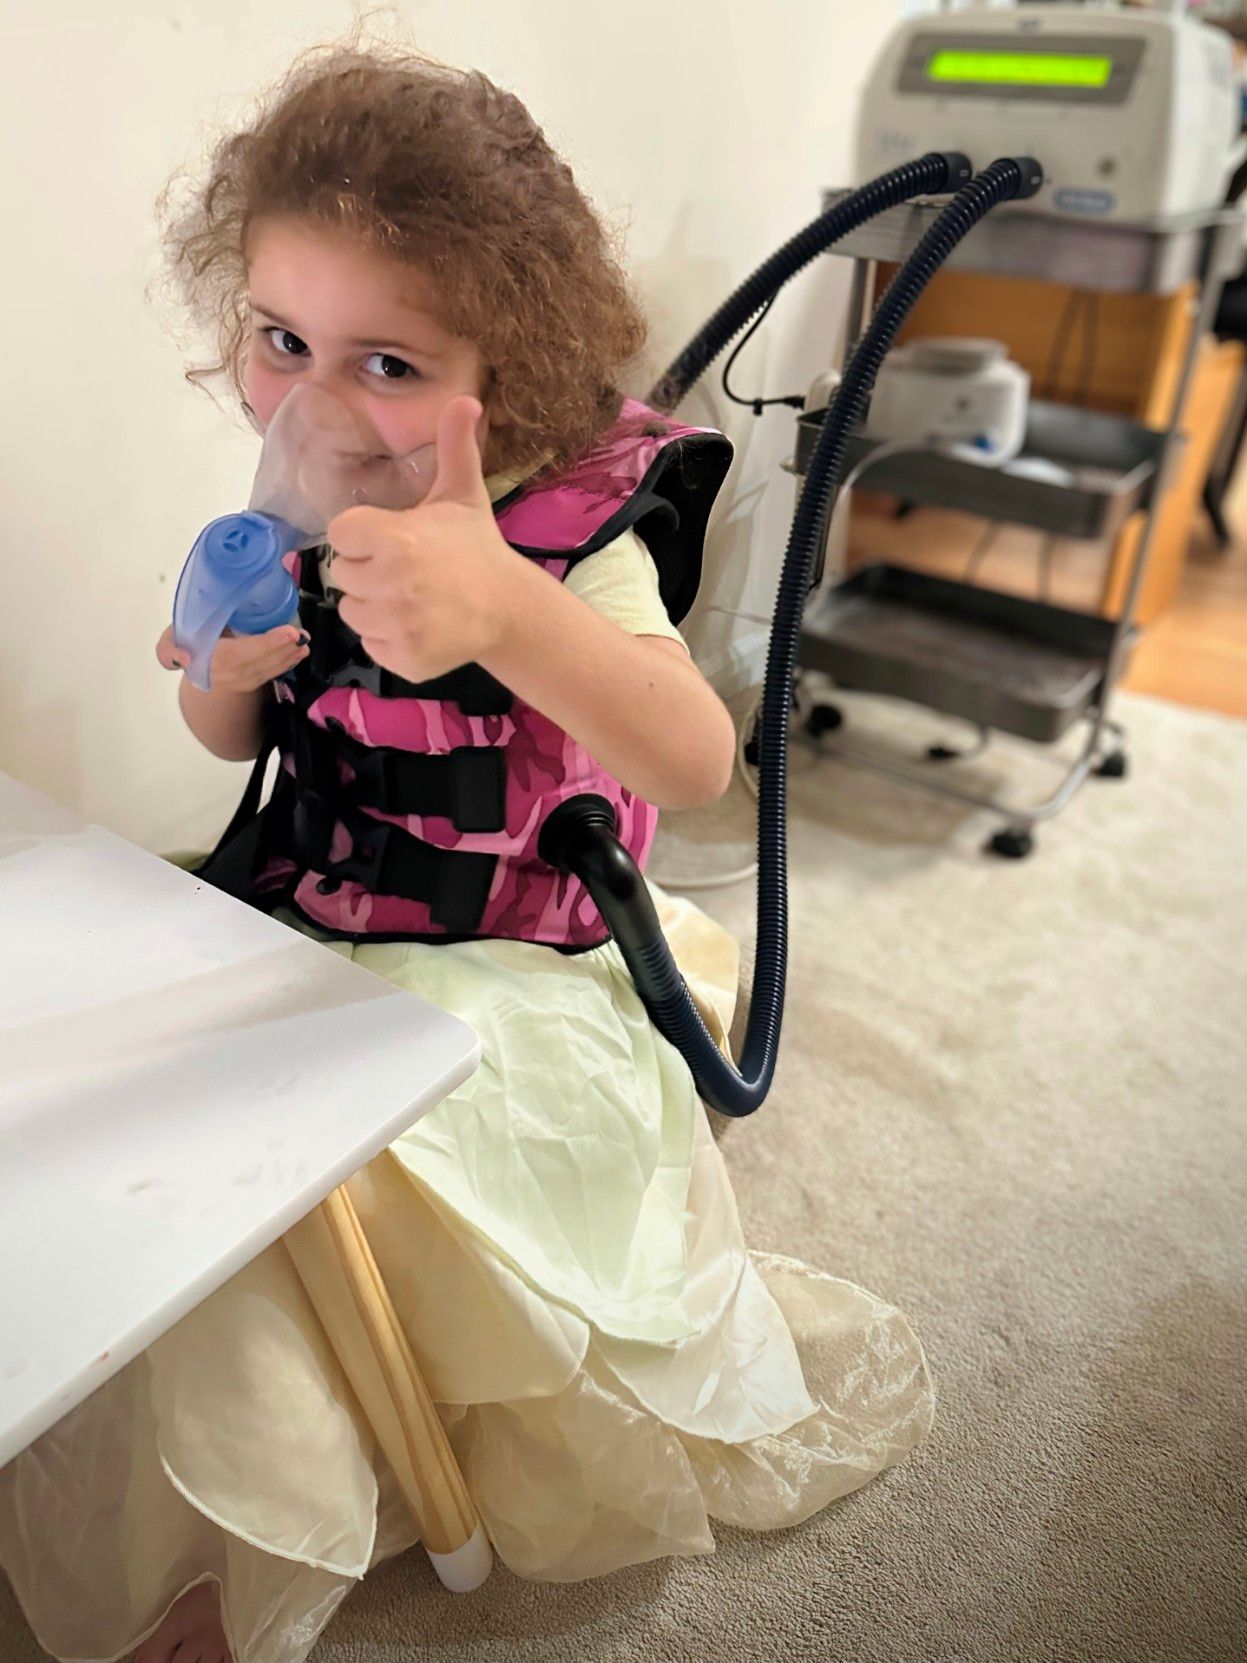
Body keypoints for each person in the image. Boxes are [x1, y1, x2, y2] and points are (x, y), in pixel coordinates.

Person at [0, 39, 934, 1663]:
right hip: (303, 910)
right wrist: (231, 684)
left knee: (300, 1230)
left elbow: (697, 756)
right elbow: (239, 750)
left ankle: (235, 1562)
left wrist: (506, 607)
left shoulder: (567, 530)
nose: (317, 407)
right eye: (285, 341)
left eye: (388, 364)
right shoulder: (288, 515)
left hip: (500, 964)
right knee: (133, 1167)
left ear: (514, 359)